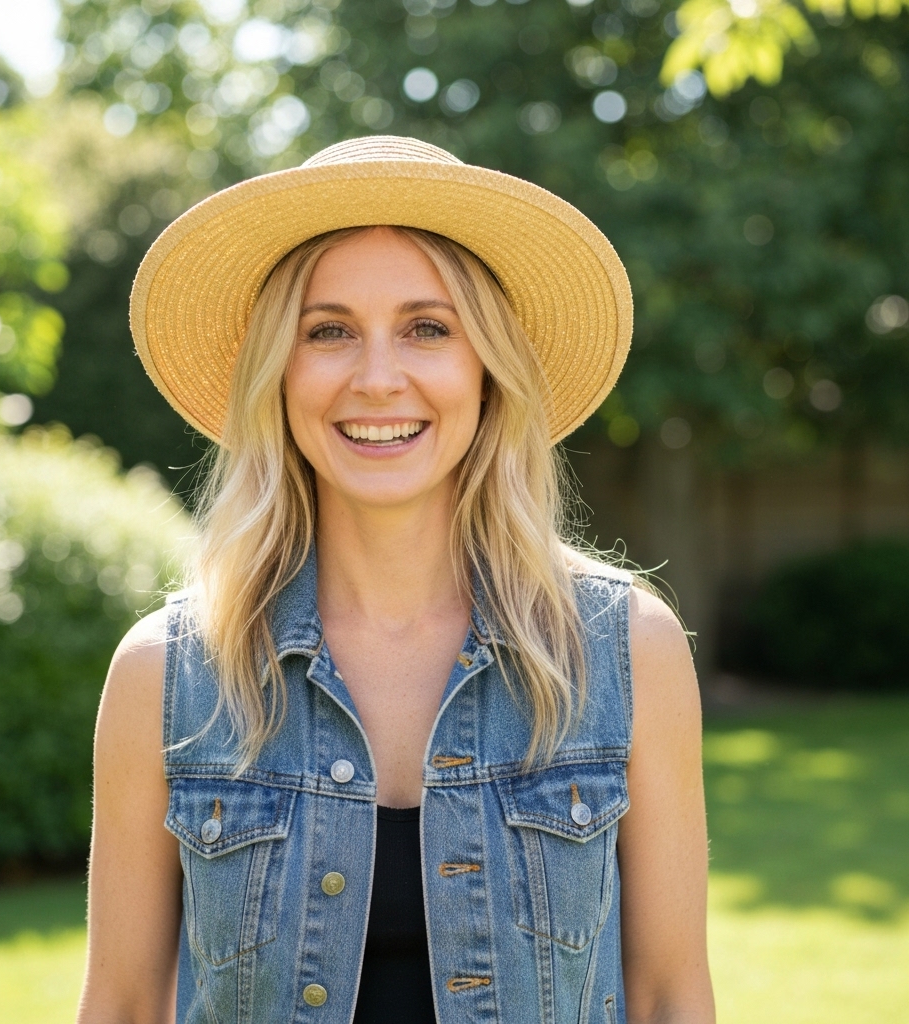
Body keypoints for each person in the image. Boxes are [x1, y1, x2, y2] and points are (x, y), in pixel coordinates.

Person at [76, 136, 714, 1024]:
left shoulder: (622, 650)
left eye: (428, 327)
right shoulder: (169, 673)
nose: (379, 379)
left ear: (487, 372)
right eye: (328, 330)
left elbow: (668, 997)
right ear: (279, 374)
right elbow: (126, 1005)